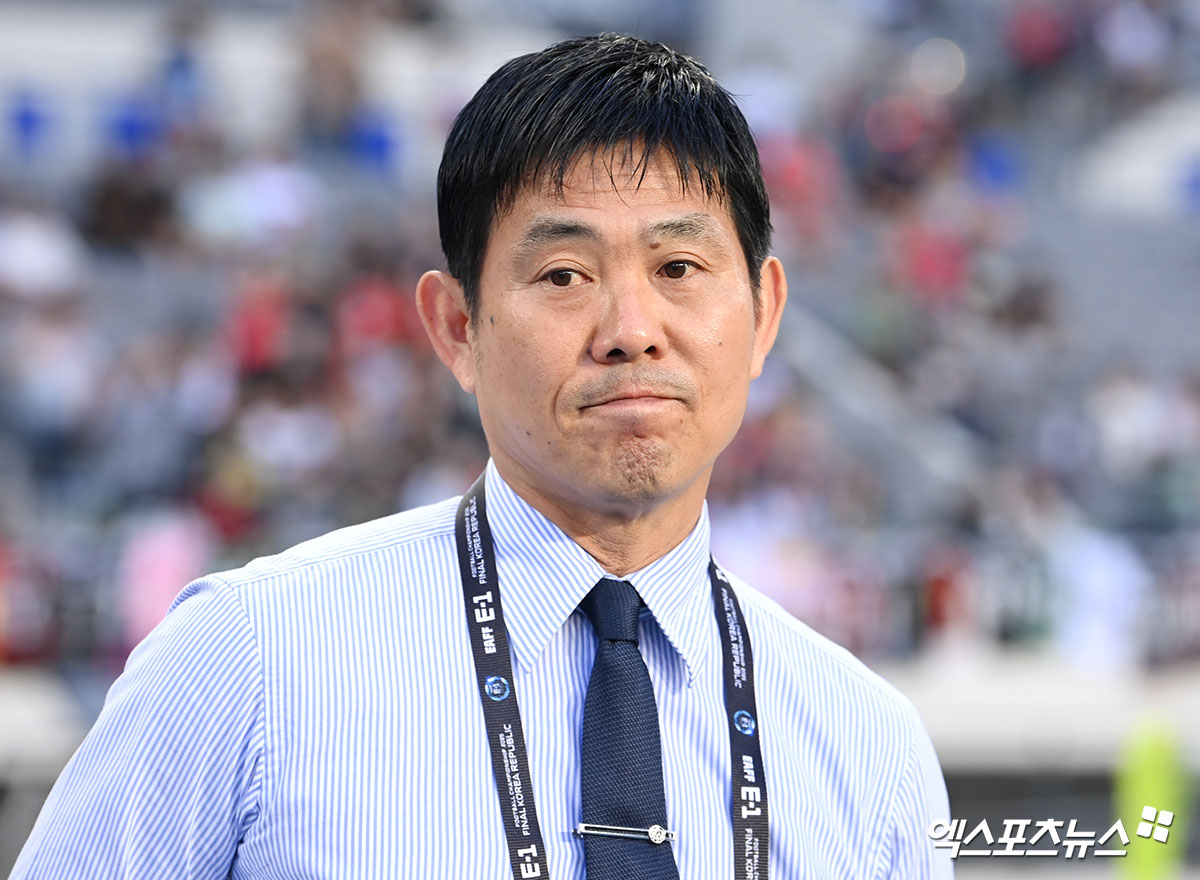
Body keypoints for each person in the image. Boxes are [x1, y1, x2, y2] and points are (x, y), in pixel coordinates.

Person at [12, 35, 952, 878]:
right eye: (564, 275)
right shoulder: (252, 662)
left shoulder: (867, 748)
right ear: (457, 328)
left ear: (764, 314)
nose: (631, 330)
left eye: (678, 268)